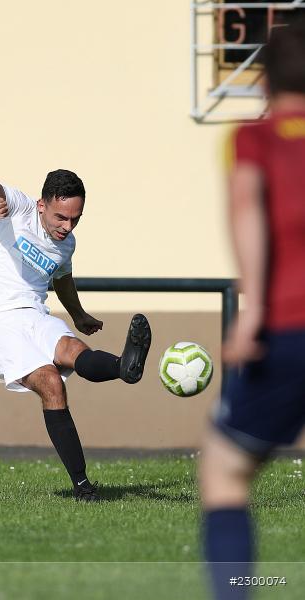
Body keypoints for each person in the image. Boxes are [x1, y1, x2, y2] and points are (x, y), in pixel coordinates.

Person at [198, 20, 305, 600]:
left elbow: (248, 209)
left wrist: (252, 311)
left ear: (263, 82)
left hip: (289, 328)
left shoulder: (253, 139)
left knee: (225, 471)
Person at [0, 170, 152, 501]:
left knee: (73, 349)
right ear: (41, 205)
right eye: (61, 217)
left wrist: (78, 315)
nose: (67, 226)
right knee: (51, 383)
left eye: (75, 219)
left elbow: (63, 279)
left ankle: (124, 366)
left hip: (33, 312)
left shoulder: (67, 244)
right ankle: (82, 486)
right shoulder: (21, 208)